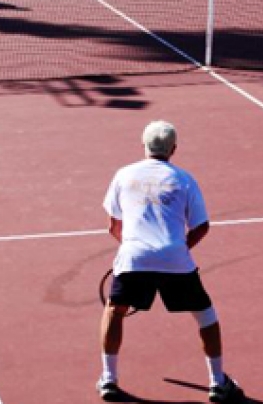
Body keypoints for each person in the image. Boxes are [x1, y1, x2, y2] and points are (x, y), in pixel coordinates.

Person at [97, 120, 243, 403]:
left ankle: (109, 380)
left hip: (133, 258)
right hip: (176, 258)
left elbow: (113, 226)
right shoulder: (185, 179)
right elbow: (201, 226)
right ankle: (217, 382)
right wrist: (178, 249)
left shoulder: (123, 175)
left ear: (143, 145)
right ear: (173, 149)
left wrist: (134, 249)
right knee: (205, 316)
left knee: (114, 310)